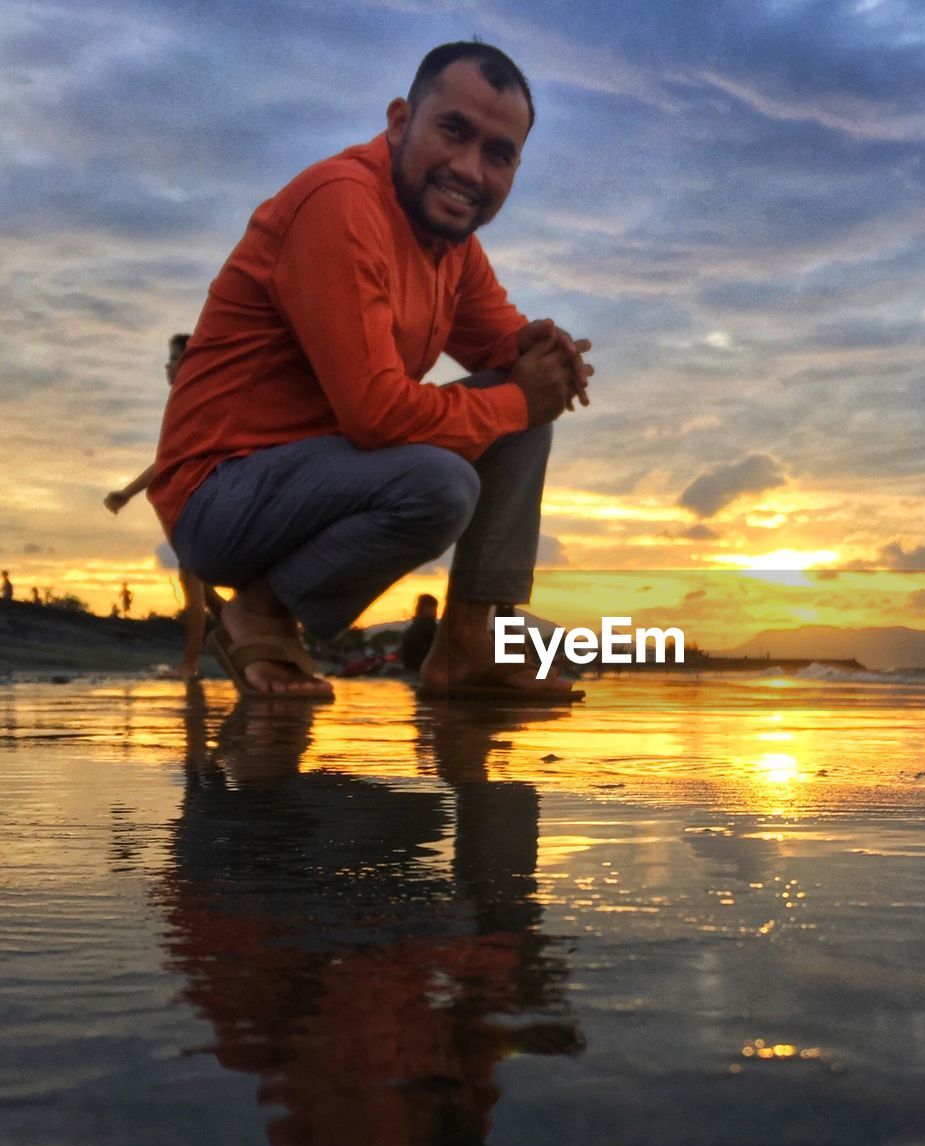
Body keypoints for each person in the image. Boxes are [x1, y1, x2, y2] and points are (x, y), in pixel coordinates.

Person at [147, 41, 593, 702]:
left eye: (498, 154)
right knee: (442, 481)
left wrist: (545, 358)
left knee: (522, 418)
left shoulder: (452, 249)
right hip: (220, 495)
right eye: (453, 131)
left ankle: (470, 642)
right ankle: (260, 612)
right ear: (397, 123)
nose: (470, 168)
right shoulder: (342, 203)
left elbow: (507, 352)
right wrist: (525, 393)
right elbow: (376, 412)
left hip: (316, 482)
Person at [104, 333, 209, 680]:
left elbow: (166, 462)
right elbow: (166, 460)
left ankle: (189, 665)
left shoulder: (190, 403)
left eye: (173, 358)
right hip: (201, 503)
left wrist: (127, 493)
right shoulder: (199, 401)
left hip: (198, 502)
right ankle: (240, 635)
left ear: (188, 362)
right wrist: (128, 492)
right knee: (201, 585)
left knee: (192, 581)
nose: (168, 365)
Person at [399, 593, 439, 674]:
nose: (435, 612)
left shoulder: (415, 625)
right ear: (425, 608)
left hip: (411, 669)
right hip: (422, 669)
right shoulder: (428, 625)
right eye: (434, 608)